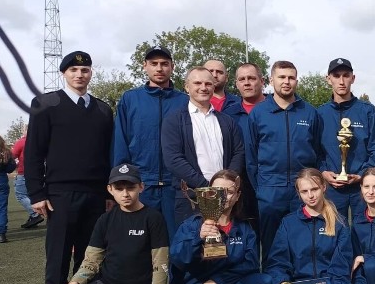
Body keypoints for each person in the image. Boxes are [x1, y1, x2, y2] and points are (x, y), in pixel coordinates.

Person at [26, 50, 114, 284]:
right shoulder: (45, 104)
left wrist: (107, 193)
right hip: (60, 194)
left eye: (85, 70)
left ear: (90, 73)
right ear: (64, 73)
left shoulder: (102, 110)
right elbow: (34, 153)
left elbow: (106, 155)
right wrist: (36, 193)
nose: (80, 74)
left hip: (95, 194)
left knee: (90, 259)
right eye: (74, 70)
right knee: (59, 258)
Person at [266, 168, 353, 284]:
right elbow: (277, 261)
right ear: (299, 193)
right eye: (304, 191)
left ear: (323, 187)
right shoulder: (288, 223)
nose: (310, 196)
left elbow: (342, 264)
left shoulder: (340, 223)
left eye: (314, 189)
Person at [245, 61, 322, 262]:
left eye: (291, 77)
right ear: (271, 80)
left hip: (303, 190)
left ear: (296, 80)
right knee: (271, 246)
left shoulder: (309, 112)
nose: (286, 82)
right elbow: (251, 158)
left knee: (304, 243)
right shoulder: (259, 114)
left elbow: (318, 152)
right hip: (270, 190)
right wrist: (261, 188)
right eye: (281, 77)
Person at [112, 46, 188, 237]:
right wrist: (123, 182)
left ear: (172, 67)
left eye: (164, 64)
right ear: (145, 66)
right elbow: (120, 141)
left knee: (178, 241)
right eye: (154, 64)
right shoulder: (130, 98)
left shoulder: (185, 101)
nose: (159, 68)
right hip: (142, 185)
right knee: (140, 241)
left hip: (176, 187)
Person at [162, 66, 245, 225]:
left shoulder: (227, 121)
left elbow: (238, 152)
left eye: (208, 84)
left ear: (214, 86)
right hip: (191, 199)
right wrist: (207, 187)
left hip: (226, 198)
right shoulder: (174, 121)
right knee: (192, 247)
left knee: (225, 248)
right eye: (197, 83)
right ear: (187, 86)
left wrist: (226, 185)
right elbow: (173, 159)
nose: (203, 87)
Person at [318, 58, 375, 218]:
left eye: (346, 76)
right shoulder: (320, 114)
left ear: (353, 78)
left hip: (361, 187)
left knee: (363, 233)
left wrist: (362, 174)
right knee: (333, 233)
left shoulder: (367, 111)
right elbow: (314, 150)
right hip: (332, 188)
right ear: (328, 79)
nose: (341, 81)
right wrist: (323, 172)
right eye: (336, 76)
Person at [223, 62, 268, 228]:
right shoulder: (227, 115)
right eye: (242, 79)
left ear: (262, 81)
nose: (247, 83)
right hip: (240, 183)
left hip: (268, 180)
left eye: (252, 78)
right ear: (236, 84)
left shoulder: (275, 109)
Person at [11, 129, 43, 229]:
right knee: (33, 194)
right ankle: (33, 217)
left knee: (20, 195)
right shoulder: (41, 142)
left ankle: (35, 214)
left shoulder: (21, 142)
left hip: (23, 172)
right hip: (40, 172)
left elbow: (12, 157)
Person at [0, 137, 16, 243]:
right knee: (2, 208)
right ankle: (1, 234)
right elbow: (10, 168)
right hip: (2, 181)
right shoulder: (6, 152)